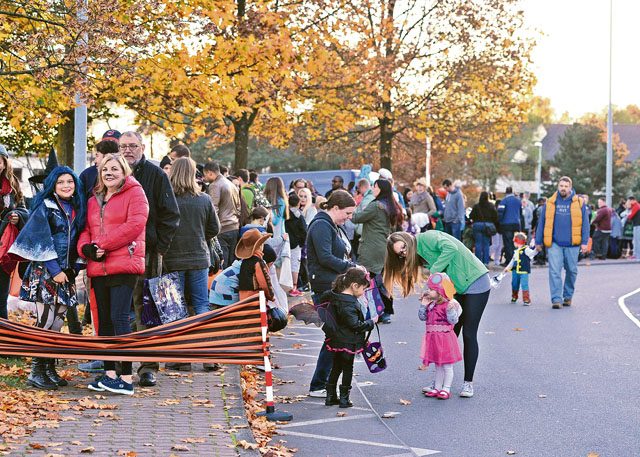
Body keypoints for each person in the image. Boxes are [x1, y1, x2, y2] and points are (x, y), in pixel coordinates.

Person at [384, 230, 491, 398]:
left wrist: (433, 271)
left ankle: (468, 383)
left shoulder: (427, 237)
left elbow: (451, 248)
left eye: (404, 247)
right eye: (401, 253)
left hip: (475, 280)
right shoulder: (417, 255)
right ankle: (440, 382)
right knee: (447, 332)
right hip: (456, 287)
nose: (405, 253)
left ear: (408, 239)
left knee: (469, 333)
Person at [9, 166, 86, 390]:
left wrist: (74, 269)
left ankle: (48, 368)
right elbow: (40, 240)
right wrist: (55, 270)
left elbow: (78, 240)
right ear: (53, 185)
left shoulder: (75, 208)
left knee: (57, 323)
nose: (66, 186)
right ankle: (36, 370)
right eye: (60, 182)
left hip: (66, 272)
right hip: (46, 272)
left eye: (69, 182)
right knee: (45, 322)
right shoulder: (45, 206)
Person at [78, 154, 148, 395]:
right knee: (104, 321)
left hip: (124, 263)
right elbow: (85, 229)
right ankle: (109, 375)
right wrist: (86, 248)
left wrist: (102, 245)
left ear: (124, 170)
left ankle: (126, 378)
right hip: (98, 267)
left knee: (120, 318)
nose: (109, 172)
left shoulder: (135, 193)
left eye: (114, 168)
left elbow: (135, 225)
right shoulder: (93, 199)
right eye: (105, 169)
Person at [121, 131, 180, 387]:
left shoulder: (155, 176)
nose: (128, 150)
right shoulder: (111, 172)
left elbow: (171, 215)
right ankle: (115, 362)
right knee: (119, 308)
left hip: (147, 252)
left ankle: (147, 365)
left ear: (142, 147)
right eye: (123, 146)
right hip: (116, 252)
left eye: (133, 146)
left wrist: (159, 247)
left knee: (148, 309)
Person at [163, 158, 219, 372]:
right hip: (198, 258)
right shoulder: (203, 199)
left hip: (172, 259)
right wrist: (200, 237)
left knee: (175, 308)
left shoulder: (167, 200)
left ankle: (180, 356)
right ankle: (208, 355)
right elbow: (215, 228)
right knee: (201, 305)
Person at [306, 190, 358, 397]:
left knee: (336, 336)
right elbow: (325, 257)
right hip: (324, 287)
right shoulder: (321, 225)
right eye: (348, 213)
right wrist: (351, 267)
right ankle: (319, 384)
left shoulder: (331, 225)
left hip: (331, 285)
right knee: (334, 336)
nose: (350, 217)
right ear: (335, 208)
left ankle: (324, 382)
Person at [322, 268, 376, 408]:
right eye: (363, 289)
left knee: (336, 367)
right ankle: (344, 399)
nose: (363, 292)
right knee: (347, 369)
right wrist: (370, 323)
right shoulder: (348, 303)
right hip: (348, 341)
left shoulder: (335, 297)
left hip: (336, 339)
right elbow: (355, 325)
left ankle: (331, 396)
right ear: (354, 286)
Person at [351, 179, 402, 323]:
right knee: (382, 280)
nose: (372, 189)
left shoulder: (375, 206)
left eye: (375, 187)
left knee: (368, 279)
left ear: (381, 189)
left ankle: (376, 311)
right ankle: (386, 311)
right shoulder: (390, 206)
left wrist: (353, 207)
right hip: (383, 246)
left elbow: (356, 218)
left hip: (371, 247)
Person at [534, 176, 590, 309]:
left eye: (566, 186)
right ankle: (556, 299)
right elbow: (541, 223)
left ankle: (568, 296)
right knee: (554, 271)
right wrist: (538, 241)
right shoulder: (550, 202)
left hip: (573, 244)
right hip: (555, 243)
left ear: (570, 188)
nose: (563, 188)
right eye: (561, 186)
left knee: (572, 271)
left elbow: (585, 224)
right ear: (558, 187)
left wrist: (584, 242)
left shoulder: (580, 202)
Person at [419, 273, 462, 400]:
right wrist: (423, 305)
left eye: (432, 289)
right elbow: (422, 317)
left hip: (445, 339)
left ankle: (446, 388)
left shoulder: (449, 304)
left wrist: (450, 310)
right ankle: (437, 387)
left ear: (440, 291)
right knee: (438, 365)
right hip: (433, 339)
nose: (428, 291)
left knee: (447, 365)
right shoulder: (431, 304)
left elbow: (454, 321)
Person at [0, 144, 29, 320]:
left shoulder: (13, 185)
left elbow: (24, 209)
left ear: (4, 163)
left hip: (3, 251)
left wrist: (17, 216)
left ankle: (4, 341)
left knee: (0, 299)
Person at [204, 162, 241, 268]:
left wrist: (209, 229)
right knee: (232, 264)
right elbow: (239, 208)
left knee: (222, 265)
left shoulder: (215, 185)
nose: (204, 178)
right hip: (234, 227)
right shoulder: (232, 185)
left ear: (210, 173)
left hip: (222, 229)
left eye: (205, 174)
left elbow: (213, 210)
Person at [503, 232, 537, 305]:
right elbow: (513, 261)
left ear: (517, 241)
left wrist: (536, 249)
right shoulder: (516, 251)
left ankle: (526, 299)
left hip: (524, 271)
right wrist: (507, 268)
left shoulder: (526, 249)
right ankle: (514, 296)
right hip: (515, 271)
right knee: (514, 284)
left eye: (514, 241)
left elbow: (532, 253)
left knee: (524, 284)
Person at [285, 193, 307, 297]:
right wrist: (302, 243)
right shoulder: (299, 215)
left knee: (286, 265)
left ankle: (286, 286)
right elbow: (304, 231)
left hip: (286, 242)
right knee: (295, 265)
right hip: (296, 244)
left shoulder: (285, 215)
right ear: (298, 204)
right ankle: (294, 287)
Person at [469, 191, 498, 265]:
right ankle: (485, 262)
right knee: (486, 244)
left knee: (478, 244)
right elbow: (495, 217)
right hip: (487, 226)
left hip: (477, 225)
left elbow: (471, 216)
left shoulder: (476, 206)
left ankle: (478, 262)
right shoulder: (491, 206)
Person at [497, 187, 522, 265]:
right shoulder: (518, 201)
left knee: (508, 243)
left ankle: (509, 261)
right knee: (515, 243)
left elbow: (500, 213)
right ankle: (516, 260)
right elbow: (520, 213)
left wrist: (499, 222)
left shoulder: (504, 201)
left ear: (506, 192)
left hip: (506, 224)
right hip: (516, 224)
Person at [623, 196, 640, 260]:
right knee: (635, 241)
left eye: (629, 201)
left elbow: (630, 216)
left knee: (637, 241)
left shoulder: (636, 206)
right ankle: (635, 255)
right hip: (636, 225)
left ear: (632, 200)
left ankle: (638, 257)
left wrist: (627, 215)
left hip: (638, 226)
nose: (628, 203)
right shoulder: (636, 206)